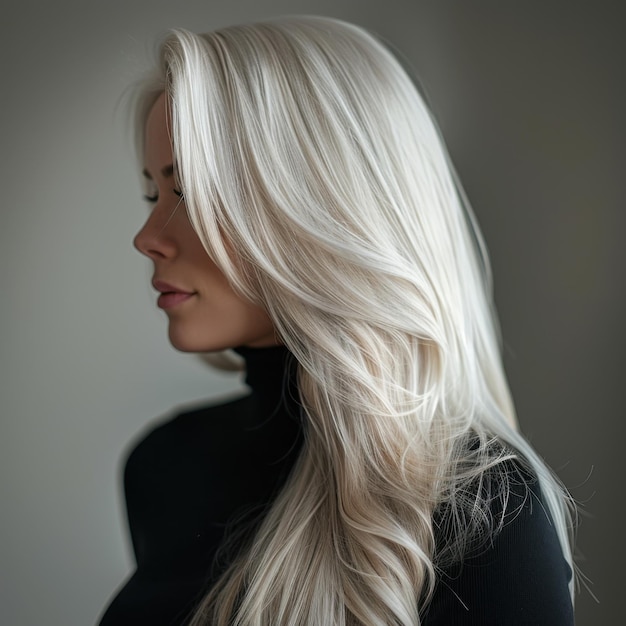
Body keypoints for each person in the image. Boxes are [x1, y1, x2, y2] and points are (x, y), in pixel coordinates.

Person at [99, 15, 576, 625]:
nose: (146, 237)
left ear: (321, 203)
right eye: (152, 196)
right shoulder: (163, 467)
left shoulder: (480, 511)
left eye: (189, 192)